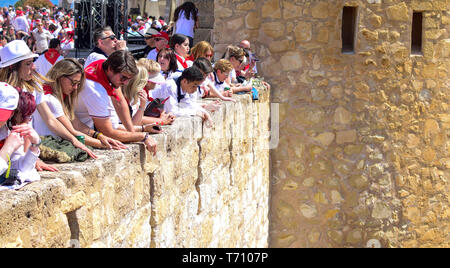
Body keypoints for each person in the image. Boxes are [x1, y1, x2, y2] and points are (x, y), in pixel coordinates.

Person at [0, 40, 96, 172]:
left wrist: (74, 140)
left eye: (32, 62)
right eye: (28, 64)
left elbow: (50, 119)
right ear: (13, 67)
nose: (33, 67)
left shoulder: (34, 86)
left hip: (23, 146)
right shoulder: (3, 91)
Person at [75, 50, 158, 154]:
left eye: (129, 79)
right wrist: (142, 136)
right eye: (123, 78)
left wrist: (131, 132)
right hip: (79, 129)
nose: (126, 82)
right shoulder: (95, 91)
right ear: (110, 69)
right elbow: (108, 132)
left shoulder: (103, 63)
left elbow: (119, 101)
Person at [38, 58, 127, 150]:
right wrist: (105, 144)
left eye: (78, 84)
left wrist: (99, 136)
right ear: (60, 77)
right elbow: (73, 132)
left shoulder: (59, 96)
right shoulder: (50, 99)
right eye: (73, 83)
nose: (76, 88)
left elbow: (78, 125)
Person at [0, 84, 41, 189]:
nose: (27, 120)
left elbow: (21, 170)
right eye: (25, 115)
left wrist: (34, 146)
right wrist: (6, 150)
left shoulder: (6, 131)